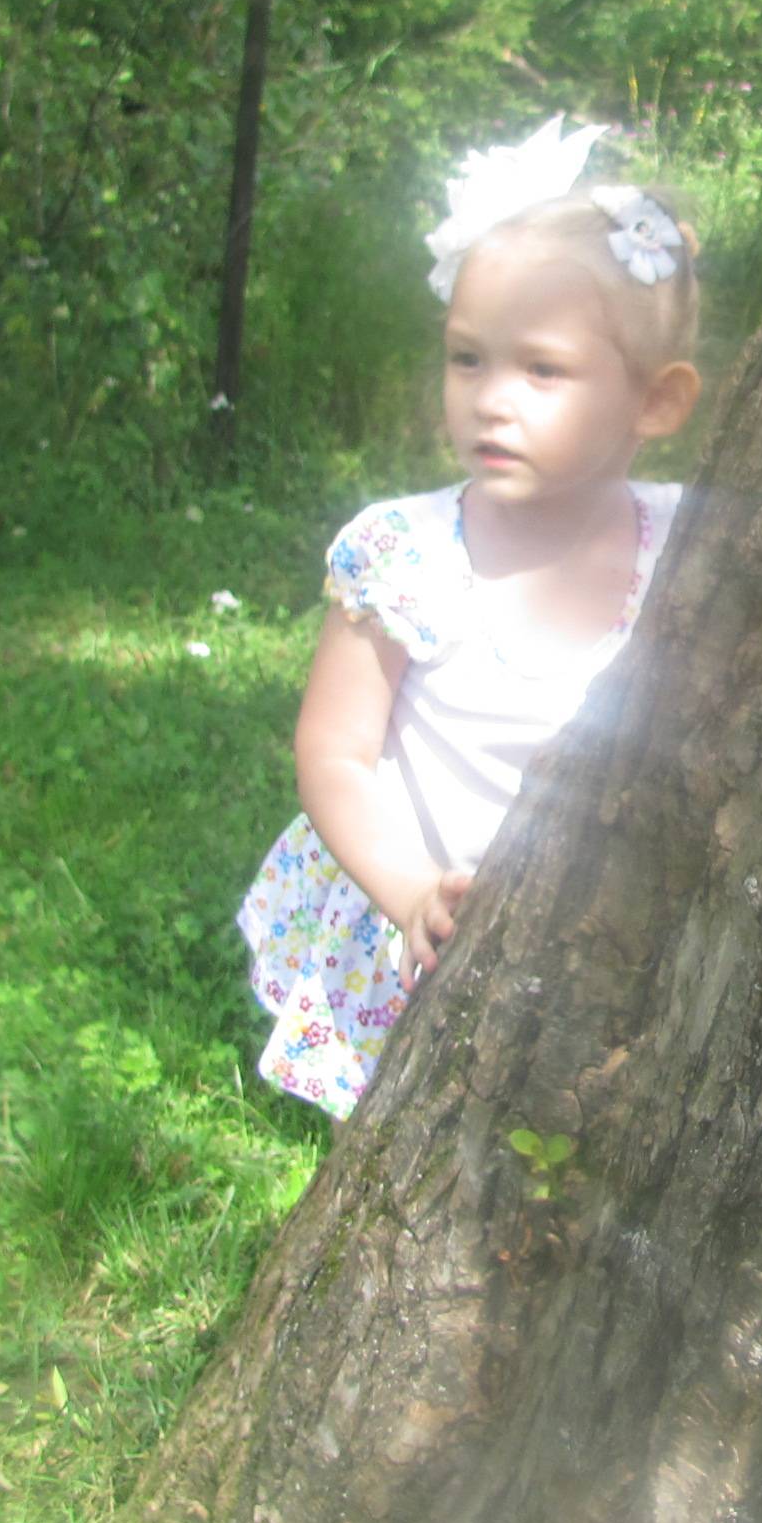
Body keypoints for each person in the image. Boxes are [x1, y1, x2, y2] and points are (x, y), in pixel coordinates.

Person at [238, 117, 704, 1119]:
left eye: (542, 370)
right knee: (424, 1123)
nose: (491, 400)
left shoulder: (690, 553)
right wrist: (407, 887)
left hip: (592, 927)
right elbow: (334, 754)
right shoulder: (404, 555)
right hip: (421, 903)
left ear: (656, 403)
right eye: (466, 359)